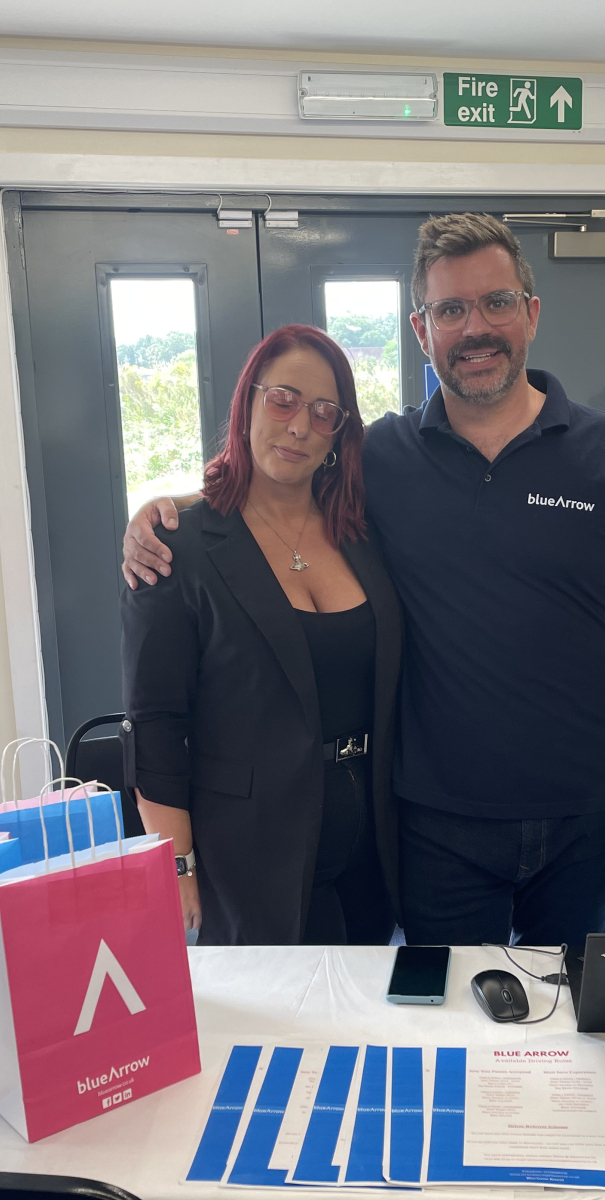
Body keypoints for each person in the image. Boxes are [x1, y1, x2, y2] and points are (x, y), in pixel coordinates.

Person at [125, 214, 605, 949]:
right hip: (436, 828)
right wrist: (166, 508)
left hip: (588, 820)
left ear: (530, 313)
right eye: (451, 310)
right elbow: (277, 482)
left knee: (576, 1029)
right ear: (421, 329)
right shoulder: (382, 460)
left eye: (496, 302)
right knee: (447, 1033)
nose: (476, 327)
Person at [120, 323, 402, 946]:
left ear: (339, 433)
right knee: (278, 1036)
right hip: (246, 857)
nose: (300, 426)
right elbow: (157, 721)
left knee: (365, 1028)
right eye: (283, 400)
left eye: (324, 412)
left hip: (371, 850)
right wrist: (177, 862)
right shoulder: (176, 547)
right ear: (247, 401)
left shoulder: (362, 533)